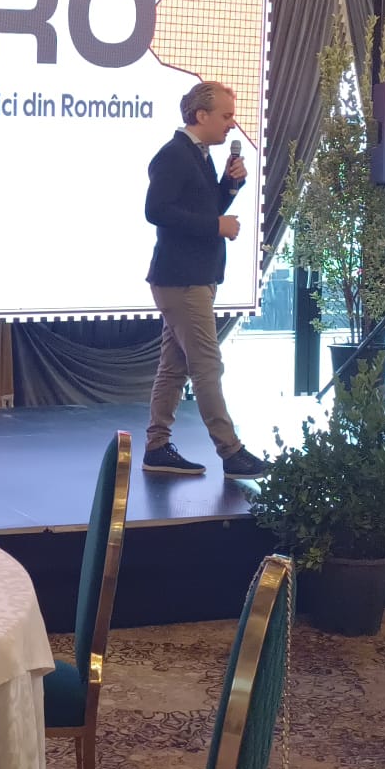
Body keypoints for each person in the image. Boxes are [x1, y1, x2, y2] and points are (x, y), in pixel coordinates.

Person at [142, 81, 269, 480]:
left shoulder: (197, 155)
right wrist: (217, 225)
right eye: (226, 116)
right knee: (207, 365)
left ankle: (157, 446)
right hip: (182, 279)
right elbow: (156, 210)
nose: (232, 125)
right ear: (201, 115)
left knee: (174, 367)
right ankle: (231, 452)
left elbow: (203, 207)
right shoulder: (174, 155)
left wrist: (229, 186)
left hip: (192, 276)